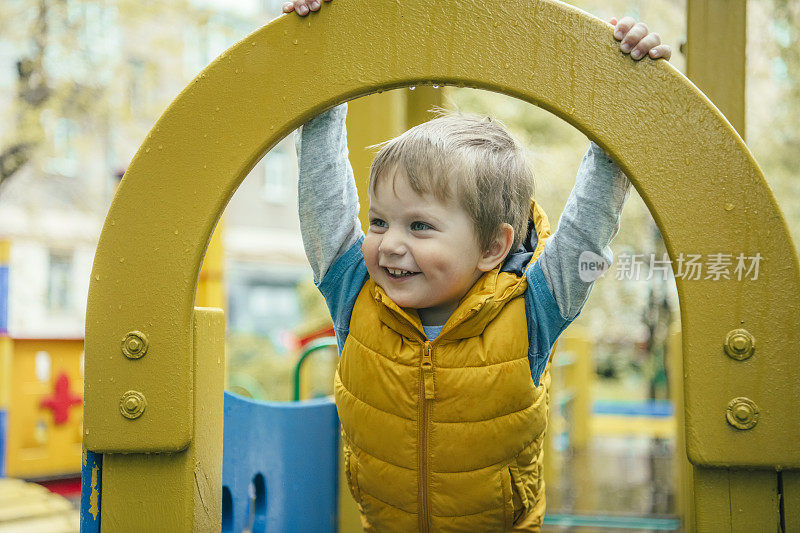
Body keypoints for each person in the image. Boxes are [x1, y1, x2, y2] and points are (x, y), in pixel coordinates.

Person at [283, 1, 671, 530]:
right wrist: (323, 57)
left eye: (420, 227)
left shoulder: (532, 310)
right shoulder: (356, 292)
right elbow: (323, 193)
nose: (390, 244)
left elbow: (588, 228)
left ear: (492, 246)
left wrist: (620, 90)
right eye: (378, 222)